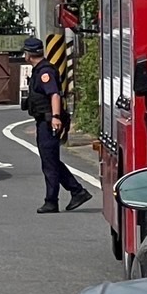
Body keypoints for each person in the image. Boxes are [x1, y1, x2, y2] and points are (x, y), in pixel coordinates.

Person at [24, 37, 92, 214]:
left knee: (49, 162)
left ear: (29, 54)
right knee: (50, 160)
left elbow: (54, 94)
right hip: (44, 121)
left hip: (48, 122)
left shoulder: (44, 72)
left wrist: (55, 117)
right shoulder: (39, 70)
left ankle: (52, 200)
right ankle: (77, 191)